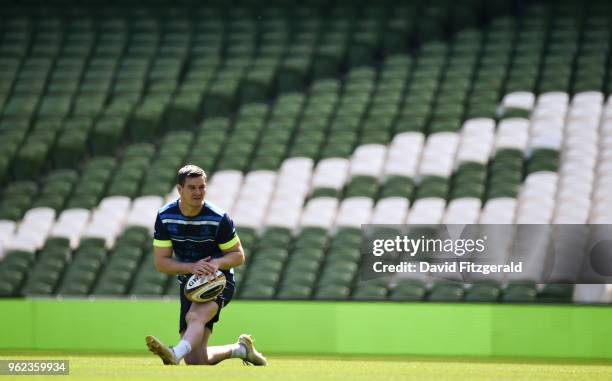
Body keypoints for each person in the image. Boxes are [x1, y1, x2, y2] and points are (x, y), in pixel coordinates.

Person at [145, 164, 267, 366]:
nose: (198, 192)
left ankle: (174, 354)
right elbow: (161, 262)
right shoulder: (165, 217)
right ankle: (241, 350)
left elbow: (238, 255)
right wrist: (191, 267)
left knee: (195, 316)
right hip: (190, 283)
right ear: (179, 189)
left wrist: (217, 263)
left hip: (218, 279)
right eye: (192, 187)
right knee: (196, 360)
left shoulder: (219, 218)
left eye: (201, 187)